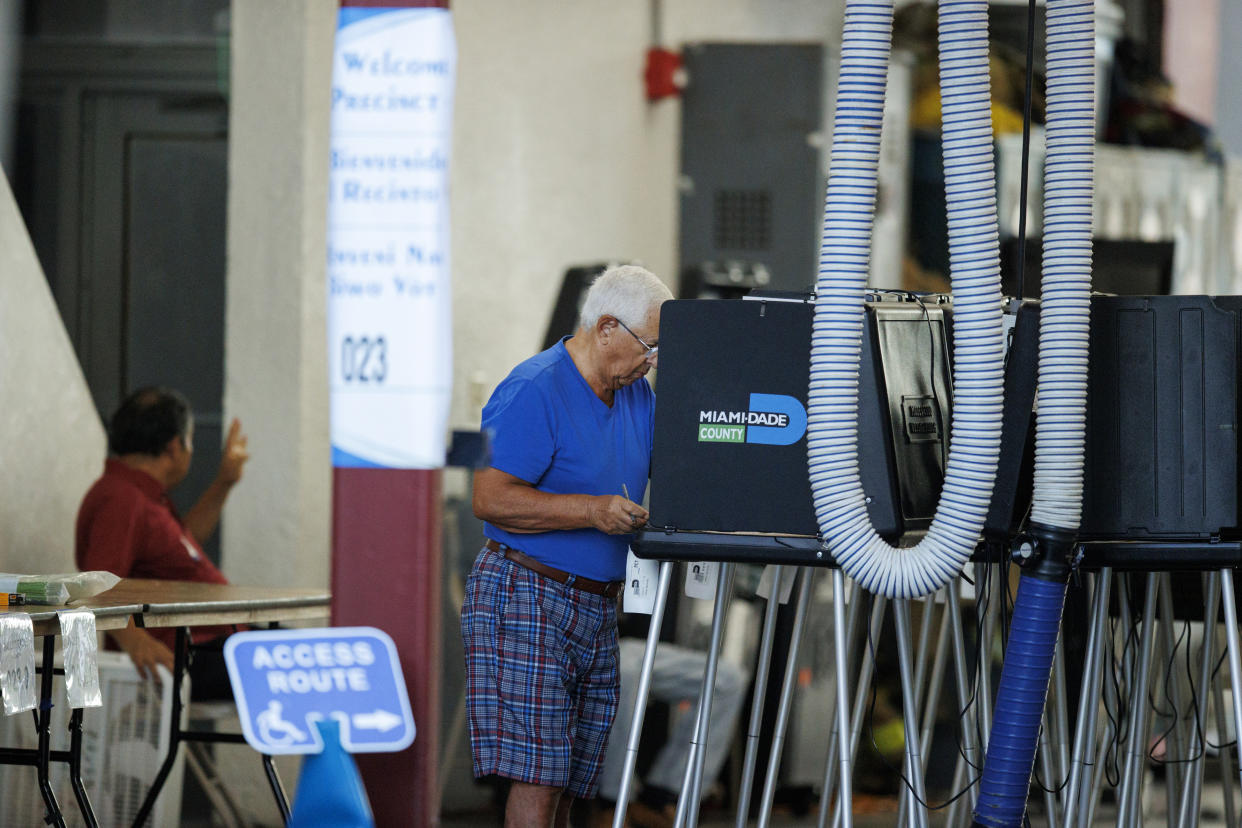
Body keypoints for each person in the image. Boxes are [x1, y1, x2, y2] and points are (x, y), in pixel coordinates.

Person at [462, 264, 673, 828]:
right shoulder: (536, 387)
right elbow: (489, 497)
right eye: (649, 347)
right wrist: (591, 509)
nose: (652, 362)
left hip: (595, 604)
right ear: (607, 327)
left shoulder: (636, 398)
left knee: (575, 776)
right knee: (541, 773)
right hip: (527, 593)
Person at [75, 387, 250, 698]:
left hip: (210, 640)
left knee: (303, 654)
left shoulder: (142, 495)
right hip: (181, 651)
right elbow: (95, 586)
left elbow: (185, 548)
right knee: (306, 663)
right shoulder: (121, 498)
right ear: (174, 447)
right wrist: (136, 641)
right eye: (190, 441)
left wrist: (224, 483)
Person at [597, 636, 747, 826]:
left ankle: (660, 796)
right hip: (565, 642)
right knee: (622, 669)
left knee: (727, 680)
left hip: (613, 636)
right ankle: (612, 801)